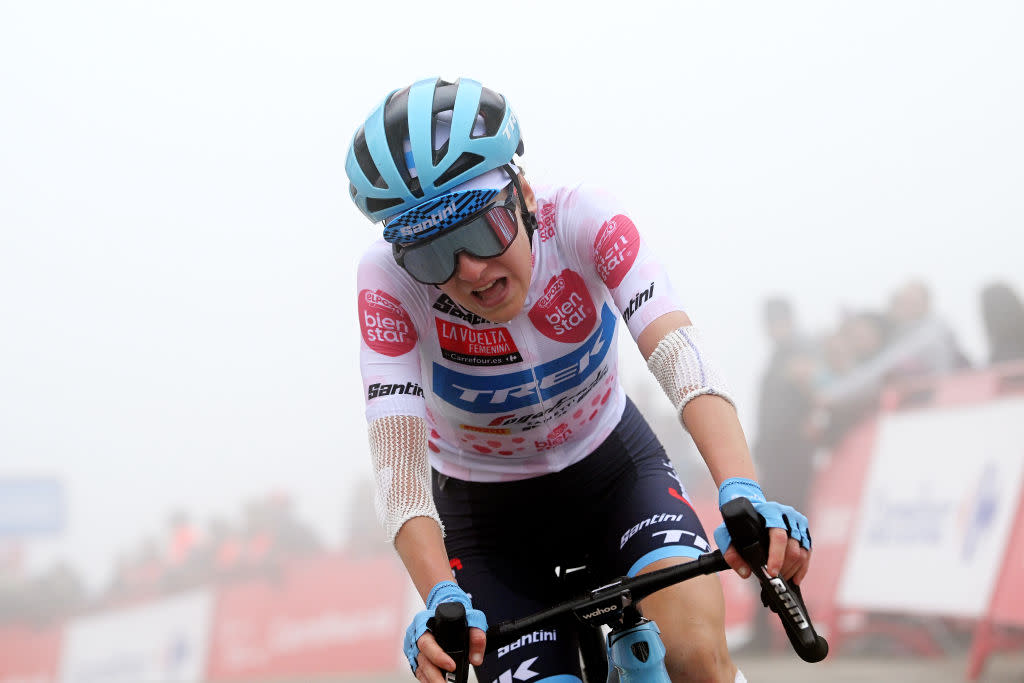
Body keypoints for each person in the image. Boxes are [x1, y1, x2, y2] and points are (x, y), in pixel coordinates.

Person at [346, 77, 812, 683]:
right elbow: (400, 471)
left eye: (479, 228)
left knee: (697, 659)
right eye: (432, 254)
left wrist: (742, 487)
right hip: (485, 523)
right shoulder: (387, 283)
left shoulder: (581, 219)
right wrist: (437, 594)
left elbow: (679, 356)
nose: (470, 271)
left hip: (615, 471)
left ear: (524, 195)